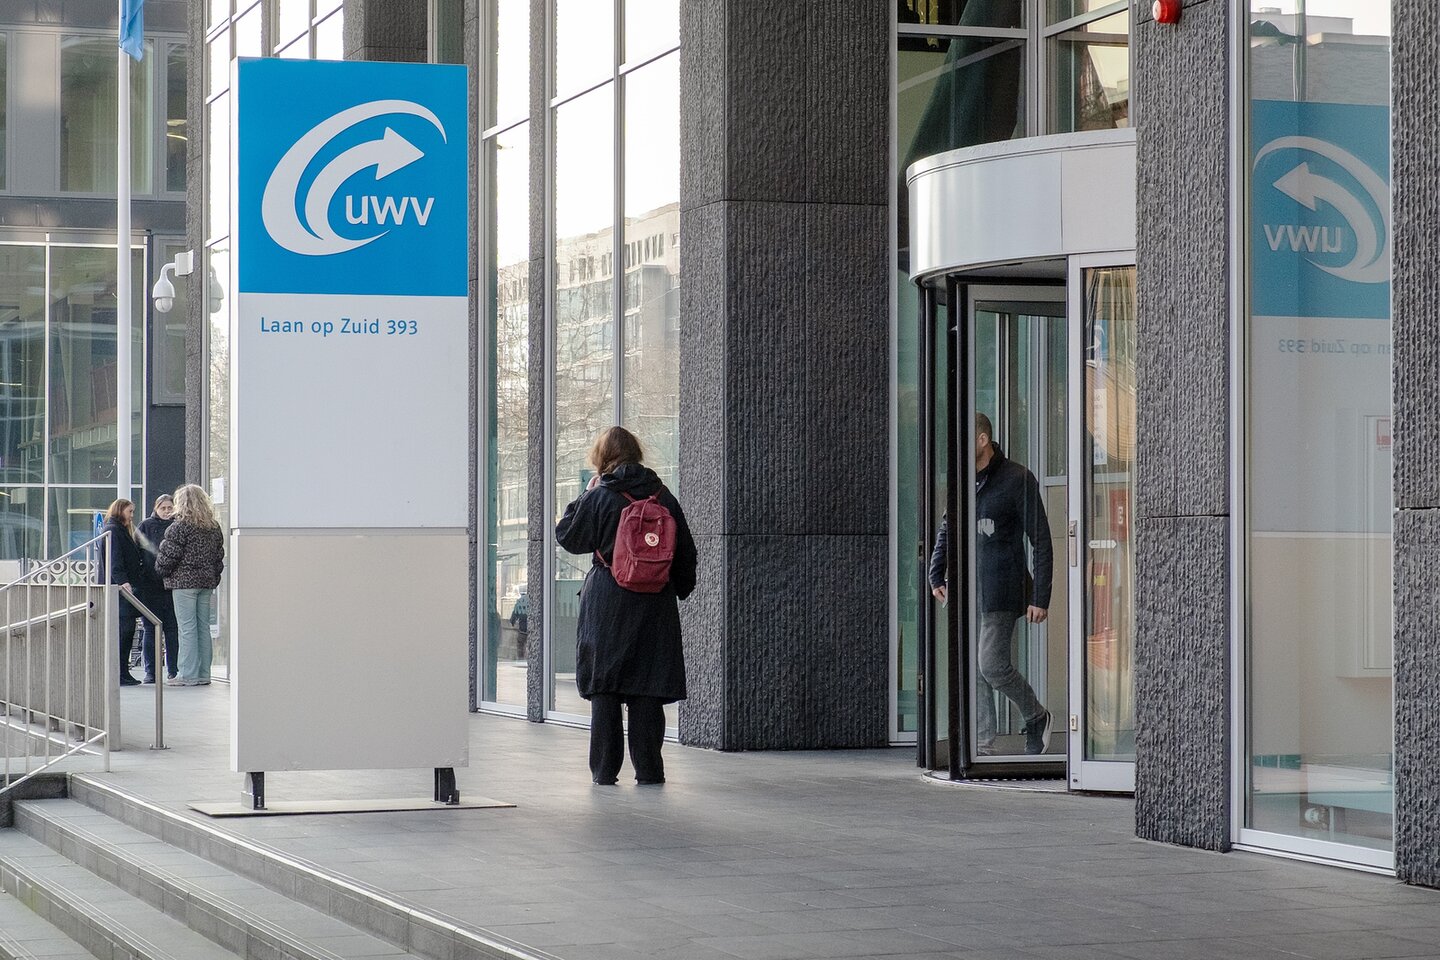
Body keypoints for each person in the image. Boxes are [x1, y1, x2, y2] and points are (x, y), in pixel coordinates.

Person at [555, 426, 697, 786]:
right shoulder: (663, 496)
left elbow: (568, 536)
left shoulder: (601, 496)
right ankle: (649, 771)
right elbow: (686, 554)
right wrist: (678, 589)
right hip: (655, 605)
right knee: (646, 687)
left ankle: (604, 772)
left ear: (602, 458)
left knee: (605, 689)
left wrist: (585, 494)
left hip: (608, 602)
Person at [929, 413, 1053, 756]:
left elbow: (1041, 540)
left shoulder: (1017, 478)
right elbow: (947, 528)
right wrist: (935, 574)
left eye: (966, 440)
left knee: (991, 665)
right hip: (967, 590)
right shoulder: (963, 480)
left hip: (1002, 590)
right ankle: (982, 745)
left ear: (983, 440)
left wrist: (1040, 596)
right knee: (974, 668)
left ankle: (1037, 716)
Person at [155, 484, 225, 687]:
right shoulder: (213, 527)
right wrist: (213, 577)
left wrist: (161, 571)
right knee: (203, 627)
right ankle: (204, 673)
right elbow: (218, 557)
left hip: (184, 583)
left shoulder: (179, 527)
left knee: (187, 628)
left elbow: (167, 558)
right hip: (206, 582)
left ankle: (187, 674)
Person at [101, 499, 146, 686]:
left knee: (126, 632)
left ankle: (122, 672)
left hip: (121, 589)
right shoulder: (114, 531)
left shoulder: (117, 530)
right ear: (120, 511)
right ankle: (120, 672)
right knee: (124, 632)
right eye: (130, 511)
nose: (132, 516)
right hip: (120, 590)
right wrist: (124, 582)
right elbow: (115, 561)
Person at [137, 494, 180, 684]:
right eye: (163, 508)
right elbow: (138, 550)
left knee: (172, 629)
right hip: (150, 584)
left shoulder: (178, 525)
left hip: (172, 585)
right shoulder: (146, 526)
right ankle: (151, 671)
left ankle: (173, 669)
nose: (167, 511)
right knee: (150, 628)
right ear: (156, 508)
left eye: (170, 508)